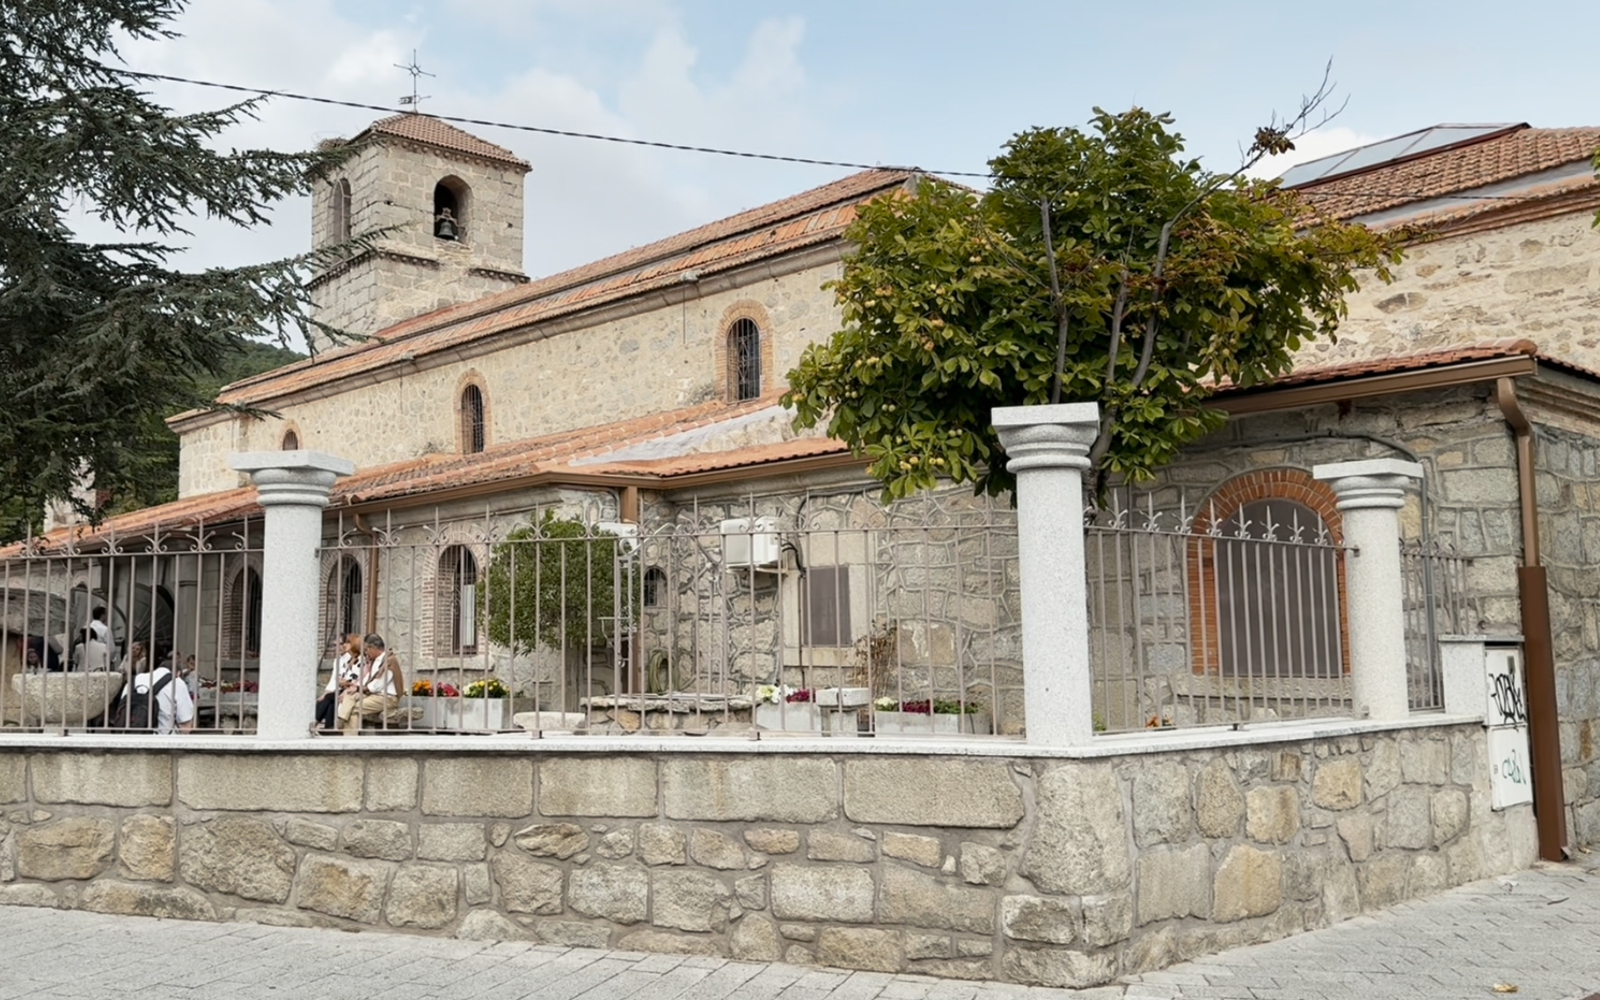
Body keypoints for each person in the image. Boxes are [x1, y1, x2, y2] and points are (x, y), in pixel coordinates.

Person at [337, 633, 402, 734]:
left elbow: (377, 685)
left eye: (367, 649)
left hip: (386, 698)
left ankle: (349, 739)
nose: (366, 653)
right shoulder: (374, 660)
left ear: (372, 648)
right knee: (349, 695)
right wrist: (353, 689)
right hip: (373, 695)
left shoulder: (389, 661)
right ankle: (341, 719)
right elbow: (367, 679)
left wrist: (358, 689)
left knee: (354, 708)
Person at [120, 656, 195, 734]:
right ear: (178, 673)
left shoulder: (133, 681)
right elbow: (185, 725)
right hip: (162, 740)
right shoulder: (177, 683)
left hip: (129, 739)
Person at [317, 634, 364, 731]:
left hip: (352, 690)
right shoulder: (343, 660)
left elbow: (356, 679)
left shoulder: (359, 660)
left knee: (330, 698)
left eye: (343, 643)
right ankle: (329, 728)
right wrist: (327, 691)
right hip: (342, 689)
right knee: (329, 700)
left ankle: (317, 722)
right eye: (335, 645)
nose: (339, 647)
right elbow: (335, 679)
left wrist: (343, 684)